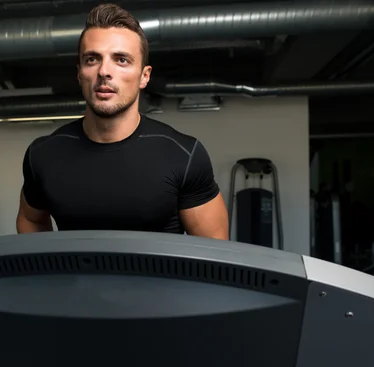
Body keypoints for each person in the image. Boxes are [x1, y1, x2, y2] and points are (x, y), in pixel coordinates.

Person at [16, 3, 229, 239]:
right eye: (92, 59)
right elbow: (30, 219)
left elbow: (215, 249)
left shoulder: (184, 156)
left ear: (144, 76)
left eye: (121, 60)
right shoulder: (43, 154)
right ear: (79, 74)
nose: (104, 71)